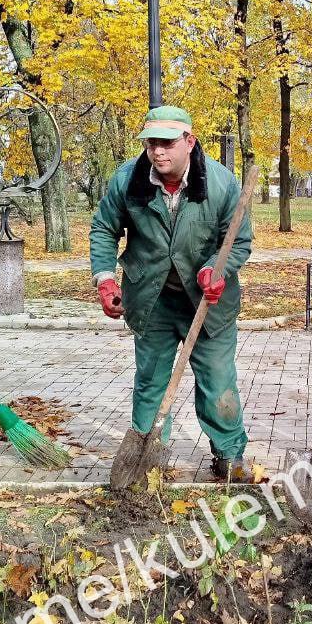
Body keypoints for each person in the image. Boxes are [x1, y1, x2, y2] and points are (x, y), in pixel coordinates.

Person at [91, 106, 253, 480]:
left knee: (217, 380)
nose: (158, 152)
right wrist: (105, 278)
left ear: (189, 141)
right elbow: (103, 229)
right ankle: (149, 454)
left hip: (209, 303)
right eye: (151, 144)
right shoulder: (128, 181)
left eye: (166, 143)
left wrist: (217, 267)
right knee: (150, 379)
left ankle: (229, 455)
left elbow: (239, 240)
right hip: (152, 299)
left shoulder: (221, 183)